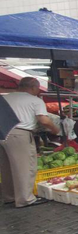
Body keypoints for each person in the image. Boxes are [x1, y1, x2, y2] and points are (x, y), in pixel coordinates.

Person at [0, 77, 59, 207]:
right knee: (24, 167)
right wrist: (55, 129)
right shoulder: (35, 100)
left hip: (2, 132)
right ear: (34, 88)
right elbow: (44, 120)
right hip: (20, 134)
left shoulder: (6, 97)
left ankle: (9, 196)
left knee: (7, 167)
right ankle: (26, 199)